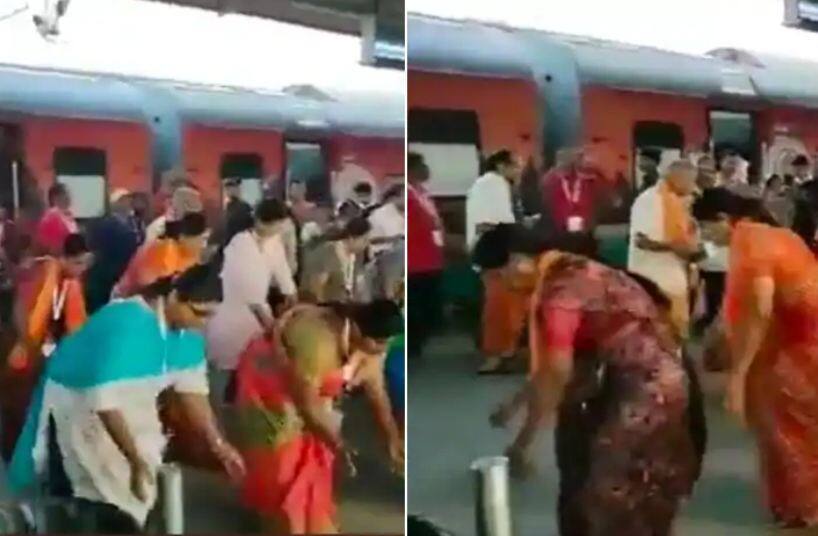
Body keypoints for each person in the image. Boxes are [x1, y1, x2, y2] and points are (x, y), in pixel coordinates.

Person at [485, 228, 704, 536]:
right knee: (643, 487)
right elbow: (562, 366)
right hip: (664, 383)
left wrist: (525, 441)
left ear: (517, 261)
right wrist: (515, 404)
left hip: (644, 392)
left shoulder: (559, 292)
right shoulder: (581, 268)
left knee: (611, 492)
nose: (502, 285)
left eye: (497, 275)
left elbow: (558, 371)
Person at [8, 265, 245, 533]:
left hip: (129, 407)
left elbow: (192, 394)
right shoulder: (126, 324)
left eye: (209, 316)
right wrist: (133, 459)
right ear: (175, 297)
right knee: (96, 490)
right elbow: (104, 402)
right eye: (198, 313)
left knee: (137, 489)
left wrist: (219, 444)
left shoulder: (188, 337)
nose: (202, 323)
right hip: (78, 406)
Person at [693, 187, 818, 528]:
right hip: (802, 341)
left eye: (705, 228)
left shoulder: (749, 242)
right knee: (802, 427)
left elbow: (760, 306)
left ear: (722, 219)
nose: (706, 238)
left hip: (793, 347)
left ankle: (803, 508)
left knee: (786, 430)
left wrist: (738, 374)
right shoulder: (777, 234)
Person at [234, 300, 402, 534]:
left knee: (315, 473)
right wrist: (338, 445)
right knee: (281, 470)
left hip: (311, 394)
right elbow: (308, 407)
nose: (383, 349)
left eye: (388, 343)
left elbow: (377, 391)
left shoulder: (373, 345)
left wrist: (391, 438)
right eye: (379, 343)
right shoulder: (318, 343)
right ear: (355, 330)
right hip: (268, 393)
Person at [1, 233, 92, 461]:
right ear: (67, 259)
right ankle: (13, 461)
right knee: (17, 405)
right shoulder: (44, 272)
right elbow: (20, 307)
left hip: (35, 345)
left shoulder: (65, 279)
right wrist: (23, 342)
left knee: (24, 404)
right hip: (20, 343)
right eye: (79, 264)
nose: (82, 270)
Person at [205, 198, 297, 405]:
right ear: (269, 222)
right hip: (233, 314)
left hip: (257, 315)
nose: (282, 229)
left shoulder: (273, 242)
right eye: (280, 224)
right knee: (229, 372)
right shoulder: (240, 244)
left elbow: (283, 276)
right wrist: (275, 329)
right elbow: (251, 295)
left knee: (251, 371)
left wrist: (293, 302)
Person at [628, 159, 703, 337]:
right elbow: (642, 241)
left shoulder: (677, 204)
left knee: (675, 335)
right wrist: (675, 248)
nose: (692, 186)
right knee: (656, 336)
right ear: (677, 178)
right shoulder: (650, 200)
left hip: (674, 280)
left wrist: (693, 257)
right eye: (691, 180)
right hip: (653, 282)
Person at [466, 149, 524, 374]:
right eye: (515, 165)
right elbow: (494, 223)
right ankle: (497, 353)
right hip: (495, 252)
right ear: (501, 165)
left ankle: (503, 350)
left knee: (502, 305)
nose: (518, 170)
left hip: (491, 250)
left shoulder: (489, 183)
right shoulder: (494, 184)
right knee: (499, 307)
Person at [114, 211, 208, 298]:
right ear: (182, 237)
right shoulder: (165, 252)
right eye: (200, 239)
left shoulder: (192, 256)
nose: (203, 245)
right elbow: (144, 287)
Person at [407, 152, 444, 359]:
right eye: (422, 165)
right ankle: (413, 346)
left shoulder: (423, 193)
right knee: (417, 305)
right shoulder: (408, 194)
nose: (426, 169)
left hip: (432, 257)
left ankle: (419, 341)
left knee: (429, 304)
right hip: (416, 261)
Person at [85, 189, 140, 313]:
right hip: (106, 278)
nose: (128, 202)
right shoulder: (105, 224)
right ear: (114, 203)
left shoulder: (133, 222)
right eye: (123, 200)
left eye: (129, 199)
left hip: (123, 275)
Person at [300, 217, 370, 303]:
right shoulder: (328, 252)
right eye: (364, 240)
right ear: (351, 238)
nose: (367, 244)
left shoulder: (357, 257)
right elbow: (317, 286)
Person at [541, 148, 603, 235]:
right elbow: (549, 203)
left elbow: (596, 203)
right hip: (560, 230)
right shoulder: (552, 181)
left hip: (584, 230)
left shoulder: (590, 181)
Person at [35, 183, 78, 257]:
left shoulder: (68, 216)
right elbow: (52, 246)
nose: (69, 197)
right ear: (55, 198)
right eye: (66, 194)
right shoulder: (53, 216)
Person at [368, 184, 405, 257]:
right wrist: (392, 239)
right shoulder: (379, 214)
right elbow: (368, 240)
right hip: (382, 254)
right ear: (396, 198)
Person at [221, 178, 254, 247]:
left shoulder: (244, 207)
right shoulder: (229, 207)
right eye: (228, 189)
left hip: (239, 244)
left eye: (235, 188)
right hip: (233, 244)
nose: (231, 191)